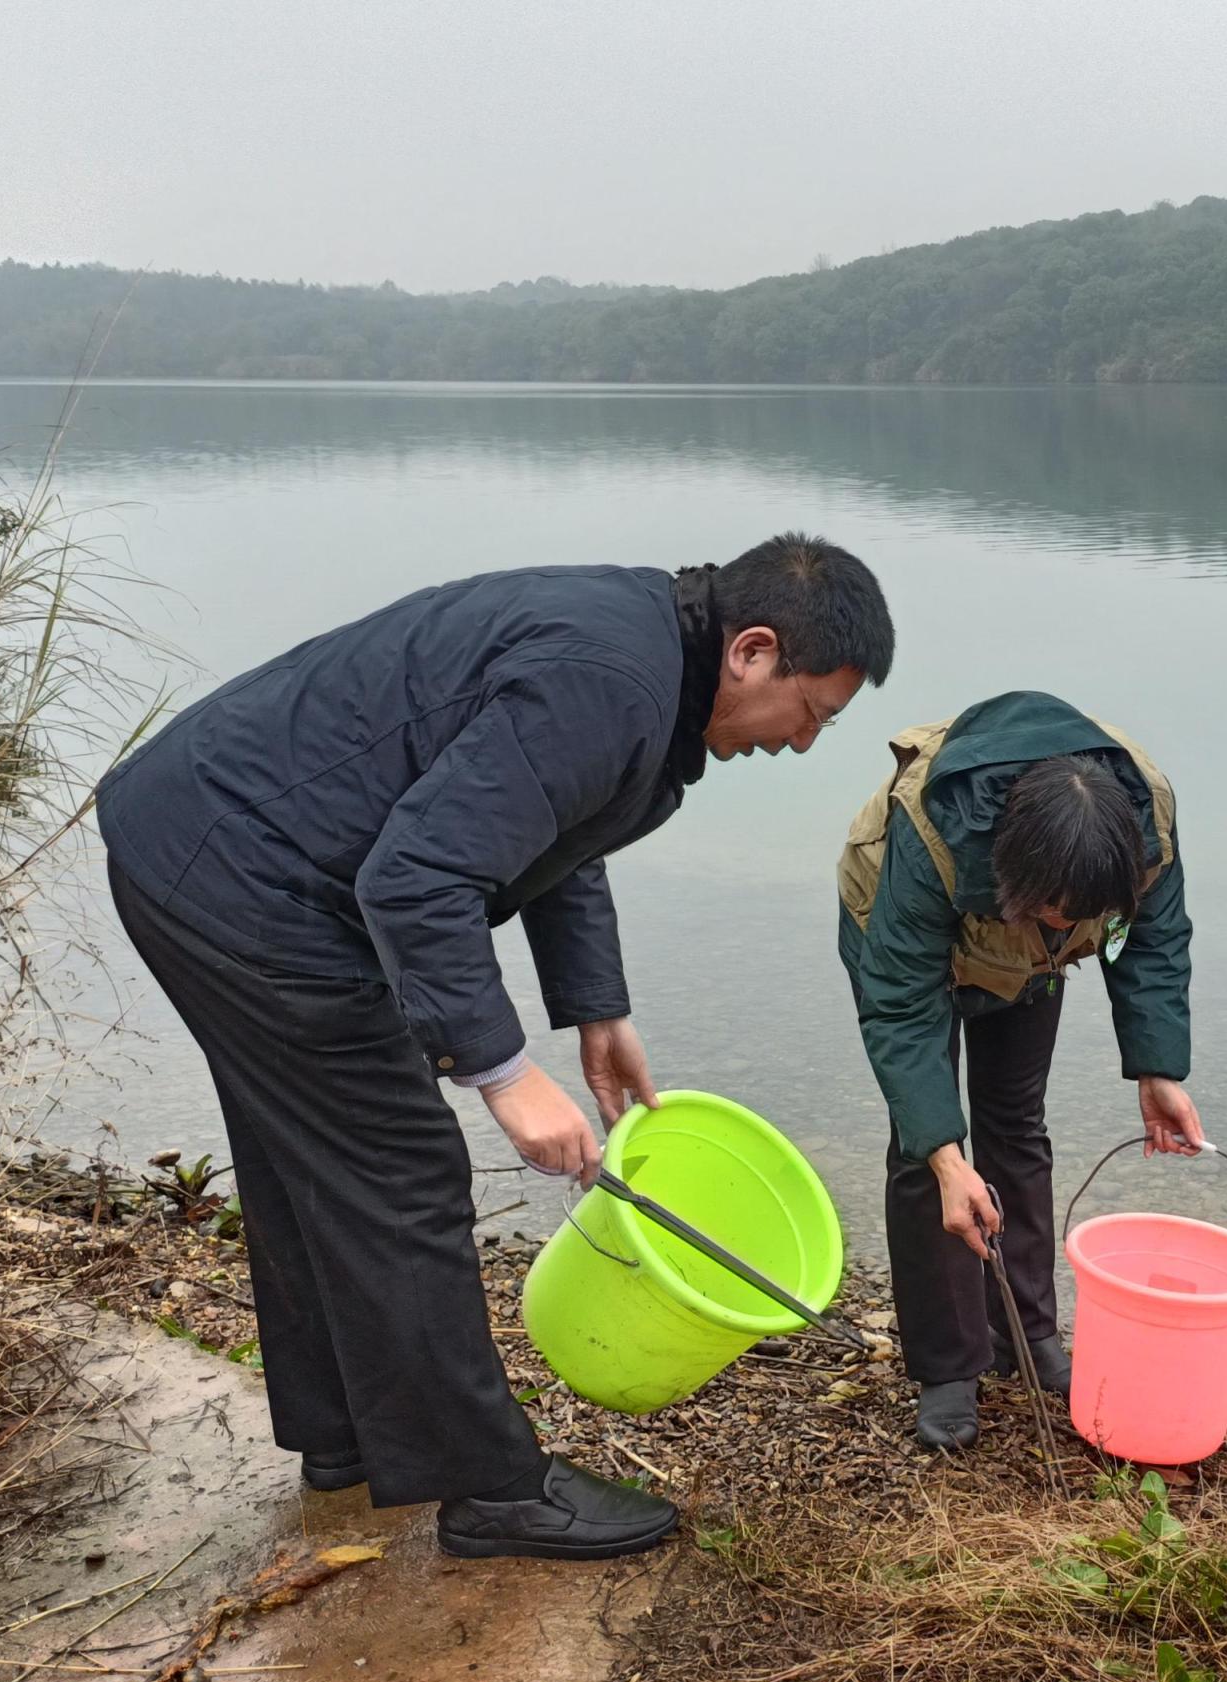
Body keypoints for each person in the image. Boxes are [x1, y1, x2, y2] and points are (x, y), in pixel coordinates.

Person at [97, 536, 895, 1560]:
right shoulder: (611, 679)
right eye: (811, 713)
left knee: (315, 1162)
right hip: (244, 871)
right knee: (402, 1168)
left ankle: (346, 1436)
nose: (802, 743)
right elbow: (416, 879)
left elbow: (551, 822)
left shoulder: (641, 651)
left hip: (198, 838)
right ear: (752, 650)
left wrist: (594, 1008)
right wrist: (503, 1072)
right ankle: (489, 1488)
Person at [836, 691, 1203, 1449]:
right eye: (1056, 909)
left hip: (1026, 964)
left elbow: (1154, 937)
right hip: (901, 945)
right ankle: (947, 1366)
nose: (1072, 924)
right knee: (926, 1148)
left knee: (1016, 1122)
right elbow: (901, 1010)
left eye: (1084, 913)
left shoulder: (1145, 823)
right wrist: (943, 1152)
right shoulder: (930, 838)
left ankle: (1024, 1331)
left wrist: (1157, 1067)